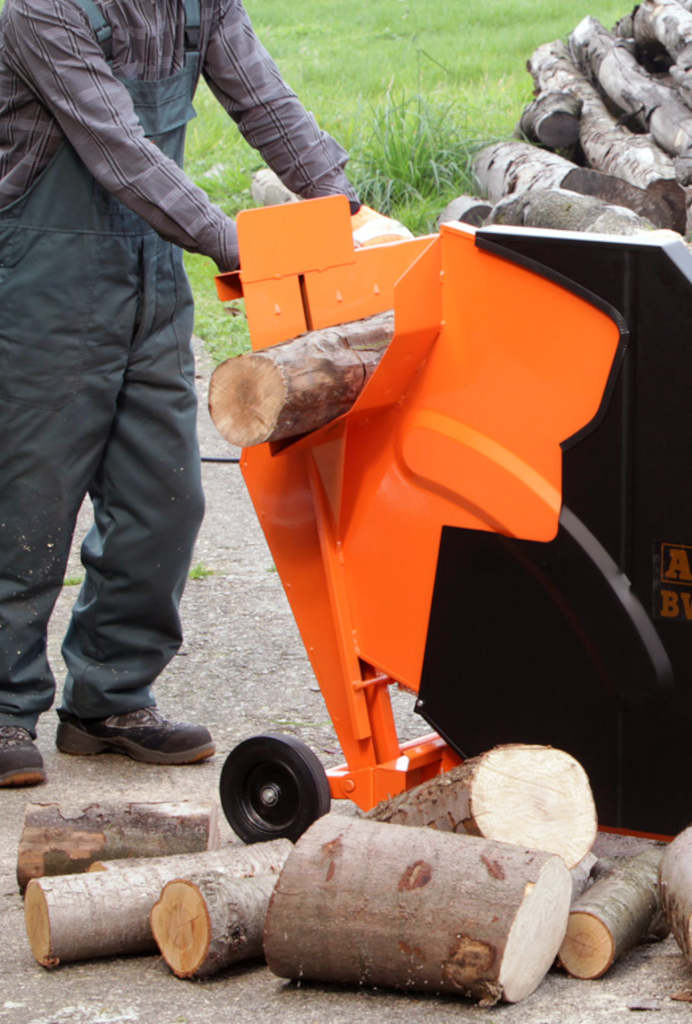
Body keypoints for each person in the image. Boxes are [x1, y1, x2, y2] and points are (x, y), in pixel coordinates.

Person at [0, 0, 408, 787]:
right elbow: (122, 152)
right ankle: (4, 707)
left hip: (151, 279)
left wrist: (346, 213)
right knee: (27, 504)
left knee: (165, 500)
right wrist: (248, 250)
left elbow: (265, 102)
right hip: (42, 287)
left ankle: (109, 700)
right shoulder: (41, 11)